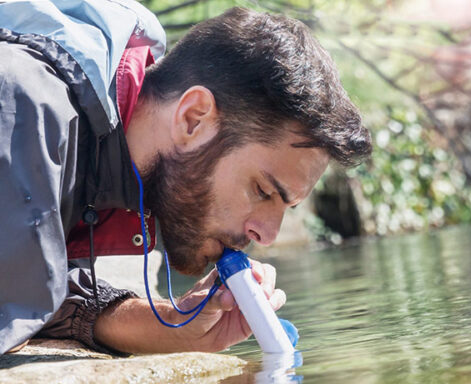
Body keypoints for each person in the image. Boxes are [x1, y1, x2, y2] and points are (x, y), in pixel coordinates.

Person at [0, 0, 371, 355]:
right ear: (193, 118)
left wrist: (173, 325)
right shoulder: (24, 108)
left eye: (287, 206)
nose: (268, 235)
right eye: (262, 190)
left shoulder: (107, 150)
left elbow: (26, 288)